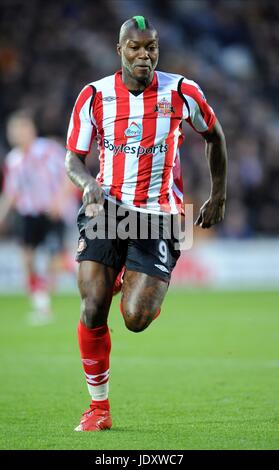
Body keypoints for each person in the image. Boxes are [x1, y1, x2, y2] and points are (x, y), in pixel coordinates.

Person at [65, 16, 227, 431]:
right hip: (108, 208)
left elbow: (215, 135)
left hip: (162, 217)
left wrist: (219, 193)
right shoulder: (94, 95)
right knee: (92, 305)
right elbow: (73, 158)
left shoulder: (182, 91)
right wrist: (87, 184)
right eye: (135, 47)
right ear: (120, 49)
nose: (144, 55)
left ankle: (137, 285)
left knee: (135, 318)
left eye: (151, 47)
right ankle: (98, 408)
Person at [0, 110, 76, 324]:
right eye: (13, 130)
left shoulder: (49, 150)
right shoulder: (13, 160)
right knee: (27, 259)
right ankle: (42, 306)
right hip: (29, 213)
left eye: (21, 128)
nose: (17, 134)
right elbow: (12, 192)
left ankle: (76, 267)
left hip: (53, 212)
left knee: (55, 262)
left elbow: (71, 175)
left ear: (31, 129)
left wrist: (60, 201)